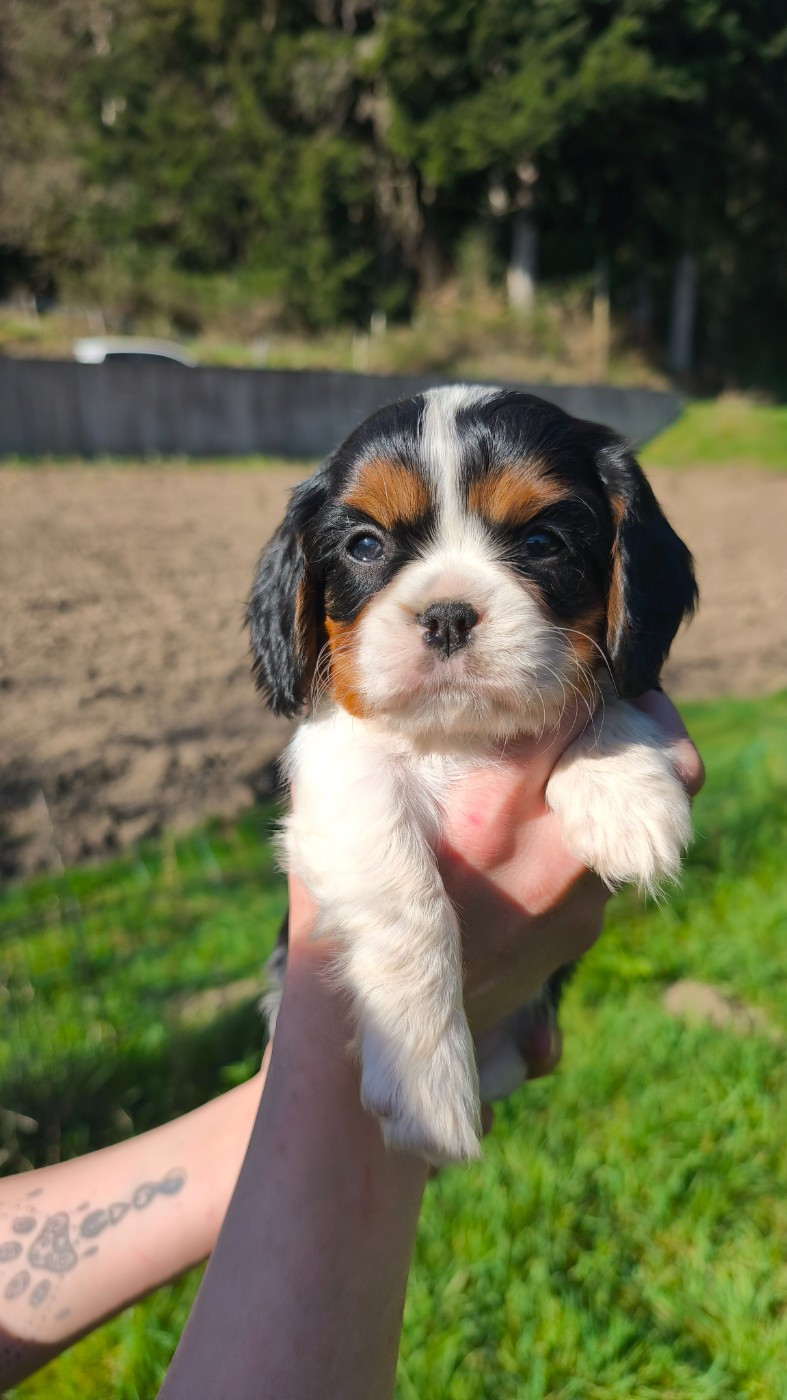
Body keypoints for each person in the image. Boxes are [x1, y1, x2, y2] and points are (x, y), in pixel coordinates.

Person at [0, 693, 703, 1395]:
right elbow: (338, 775)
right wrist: (383, 1044)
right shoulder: (349, 740)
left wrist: (607, 738)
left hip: (498, 1042)